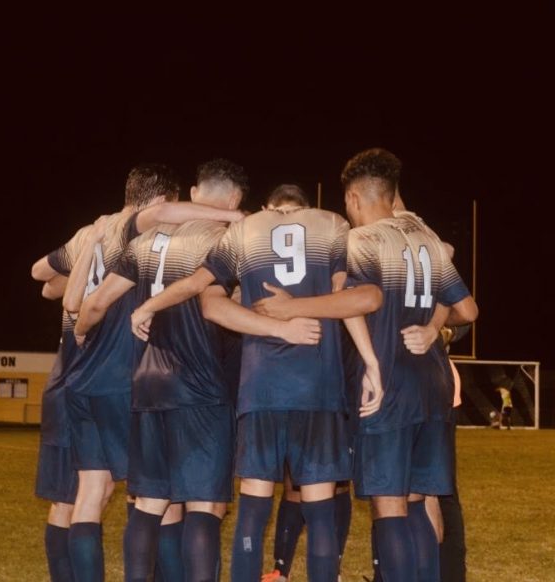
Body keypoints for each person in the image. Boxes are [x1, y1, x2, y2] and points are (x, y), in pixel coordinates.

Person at [130, 183, 383, 582]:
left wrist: (147, 305)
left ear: (267, 206)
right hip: (318, 388)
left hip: (260, 388)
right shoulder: (333, 225)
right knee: (319, 510)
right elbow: (349, 298)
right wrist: (371, 363)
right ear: (306, 207)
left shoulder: (244, 232)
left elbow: (208, 301)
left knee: (253, 509)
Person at [252, 149, 478, 582]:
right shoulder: (427, 238)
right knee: (417, 501)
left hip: (389, 383)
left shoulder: (362, 241)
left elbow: (360, 300)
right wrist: (432, 327)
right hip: (432, 383)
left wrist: (292, 307)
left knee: (388, 504)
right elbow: (466, 309)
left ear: (353, 198)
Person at [62, 163, 246, 582]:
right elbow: (226, 304)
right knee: (204, 505)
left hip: (145, 384)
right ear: (234, 199)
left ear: (196, 191)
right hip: (199, 383)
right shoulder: (228, 237)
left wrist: (83, 333)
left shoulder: (146, 239)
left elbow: (95, 302)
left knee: (148, 503)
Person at [30, 215, 108, 581]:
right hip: (95, 381)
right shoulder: (135, 242)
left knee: (72, 498)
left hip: (66, 382)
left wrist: (81, 259)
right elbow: (42, 280)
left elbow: (45, 283)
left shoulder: (88, 238)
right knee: (96, 494)